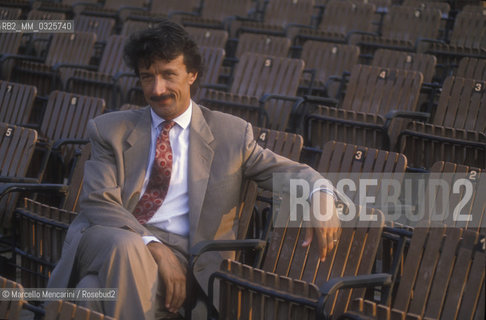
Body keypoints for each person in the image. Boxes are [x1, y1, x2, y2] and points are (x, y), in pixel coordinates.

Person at [47, 20, 340, 319]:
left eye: (168, 75)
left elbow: (293, 173)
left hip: (187, 261)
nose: (157, 89)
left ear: (192, 75)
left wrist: (320, 193)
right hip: (110, 237)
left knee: (92, 293)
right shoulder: (111, 129)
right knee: (126, 246)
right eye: (147, 77)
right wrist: (154, 246)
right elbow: (98, 202)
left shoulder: (230, 134)